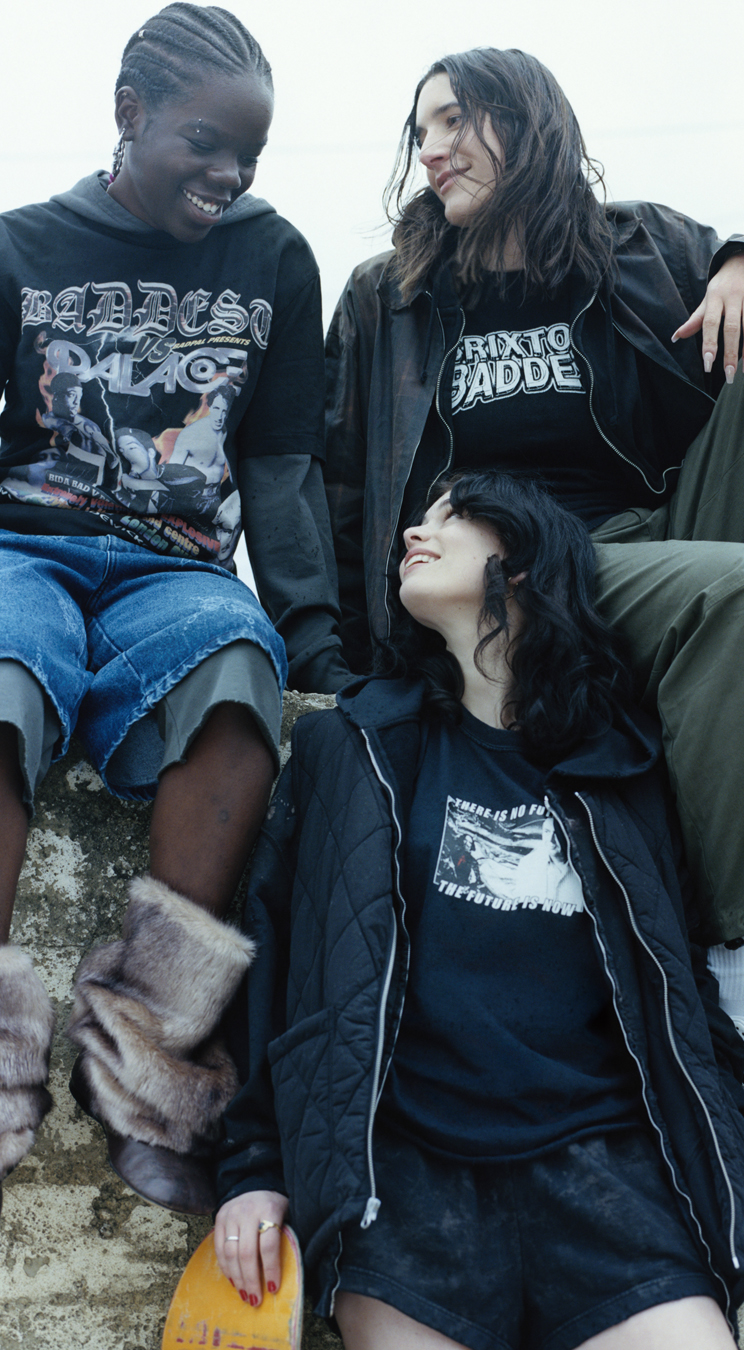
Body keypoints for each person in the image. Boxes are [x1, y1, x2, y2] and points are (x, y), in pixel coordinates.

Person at [324, 47, 744, 1164]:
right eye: (421, 131)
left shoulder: (640, 247)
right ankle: (741, 978)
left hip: (660, 534)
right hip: (518, 569)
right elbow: (336, 479)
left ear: (529, 122)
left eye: (456, 120)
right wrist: (338, 655)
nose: (432, 148)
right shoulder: (390, 297)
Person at [214, 471, 744, 1350]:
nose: (414, 532)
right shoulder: (351, 746)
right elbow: (277, 957)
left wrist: (727, 1134)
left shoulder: (622, 767)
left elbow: (676, 974)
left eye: (453, 516)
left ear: (521, 562)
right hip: (404, 1181)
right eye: (418, 515)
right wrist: (253, 1168)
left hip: (607, 1171)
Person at [0, 3, 347, 1217]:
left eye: (249, 152)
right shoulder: (19, 248)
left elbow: (284, 465)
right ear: (128, 114)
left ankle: (144, 1076)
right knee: (0, 676)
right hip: (23, 547)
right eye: (204, 142)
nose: (230, 173)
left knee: (237, 691)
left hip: (177, 568)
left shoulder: (272, 260)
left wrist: (312, 638)